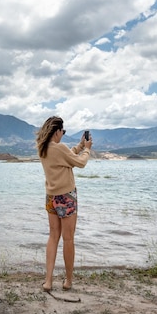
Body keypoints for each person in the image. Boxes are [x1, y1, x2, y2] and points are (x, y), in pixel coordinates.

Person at [36, 116, 92, 292]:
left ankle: (48, 281)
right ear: (57, 131)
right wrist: (87, 150)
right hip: (66, 197)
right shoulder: (59, 148)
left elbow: (65, 157)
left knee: (53, 237)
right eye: (63, 131)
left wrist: (80, 146)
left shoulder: (42, 148)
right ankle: (68, 281)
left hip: (51, 197)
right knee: (68, 239)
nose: (62, 135)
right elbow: (80, 163)